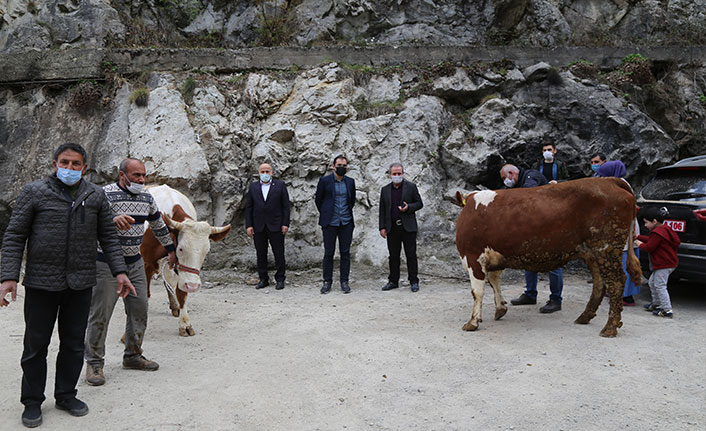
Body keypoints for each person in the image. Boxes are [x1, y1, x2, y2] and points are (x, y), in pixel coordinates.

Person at [0, 143, 135, 428]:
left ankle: (65, 395)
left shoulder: (95, 195)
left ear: (84, 168)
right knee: (36, 345)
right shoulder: (34, 192)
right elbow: (14, 236)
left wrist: (120, 272)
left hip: (81, 282)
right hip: (41, 283)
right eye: (65, 162)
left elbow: (109, 238)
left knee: (73, 344)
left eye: (76, 164)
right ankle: (32, 402)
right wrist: (8, 277)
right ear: (54, 163)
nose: (70, 168)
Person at [84, 158, 177, 387]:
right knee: (100, 314)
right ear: (122, 175)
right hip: (105, 264)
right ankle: (94, 363)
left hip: (134, 262)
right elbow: (85, 220)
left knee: (139, 310)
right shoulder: (103, 194)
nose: (141, 180)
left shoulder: (146, 198)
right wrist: (111, 219)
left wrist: (171, 250)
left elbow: (158, 226)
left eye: (144, 175)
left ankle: (133, 355)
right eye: (136, 176)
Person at [500, 164, 564, 313]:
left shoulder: (530, 177)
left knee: (554, 262)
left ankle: (556, 299)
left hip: (550, 226)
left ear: (511, 173)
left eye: (505, 178)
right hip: (534, 228)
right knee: (529, 259)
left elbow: (529, 195)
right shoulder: (518, 182)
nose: (505, 181)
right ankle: (530, 294)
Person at [594, 160, 641, 305]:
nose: (601, 178)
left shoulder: (621, 186)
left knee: (624, 262)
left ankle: (626, 296)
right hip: (622, 228)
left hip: (625, 228)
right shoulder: (616, 184)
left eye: (603, 175)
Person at [378, 163, 424, 292]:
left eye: (399, 174)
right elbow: (382, 210)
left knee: (411, 255)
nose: (397, 176)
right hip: (392, 227)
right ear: (389, 175)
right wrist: (382, 227)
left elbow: (419, 203)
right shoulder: (385, 190)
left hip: (408, 227)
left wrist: (408, 207)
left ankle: (414, 281)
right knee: (393, 256)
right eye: (394, 174)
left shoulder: (411, 187)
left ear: (403, 174)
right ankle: (393, 281)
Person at [245, 163, 291, 290]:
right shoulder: (253, 187)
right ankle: (263, 278)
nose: (265, 174)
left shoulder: (280, 185)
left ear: (272, 173)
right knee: (261, 253)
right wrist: (249, 225)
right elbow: (249, 207)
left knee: (279, 253)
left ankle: (280, 279)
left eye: (267, 171)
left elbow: (286, 206)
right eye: (262, 171)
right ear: (258, 173)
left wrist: (285, 223)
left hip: (276, 225)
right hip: (258, 226)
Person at [315, 155, 356, 294]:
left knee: (345, 253)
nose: (341, 168)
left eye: (344, 166)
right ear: (333, 166)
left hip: (346, 222)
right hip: (330, 223)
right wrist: (327, 213)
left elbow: (352, 201)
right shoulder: (325, 181)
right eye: (339, 165)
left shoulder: (350, 182)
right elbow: (318, 200)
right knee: (329, 253)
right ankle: (327, 281)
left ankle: (344, 281)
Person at [635, 206, 680, 318]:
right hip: (668, 263)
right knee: (652, 282)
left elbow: (649, 247)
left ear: (654, 221)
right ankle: (656, 304)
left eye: (646, 223)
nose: (645, 225)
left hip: (663, 264)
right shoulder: (664, 229)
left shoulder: (657, 233)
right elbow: (652, 239)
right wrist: (638, 236)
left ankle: (667, 309)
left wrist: (638, 243)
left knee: (660, 285)